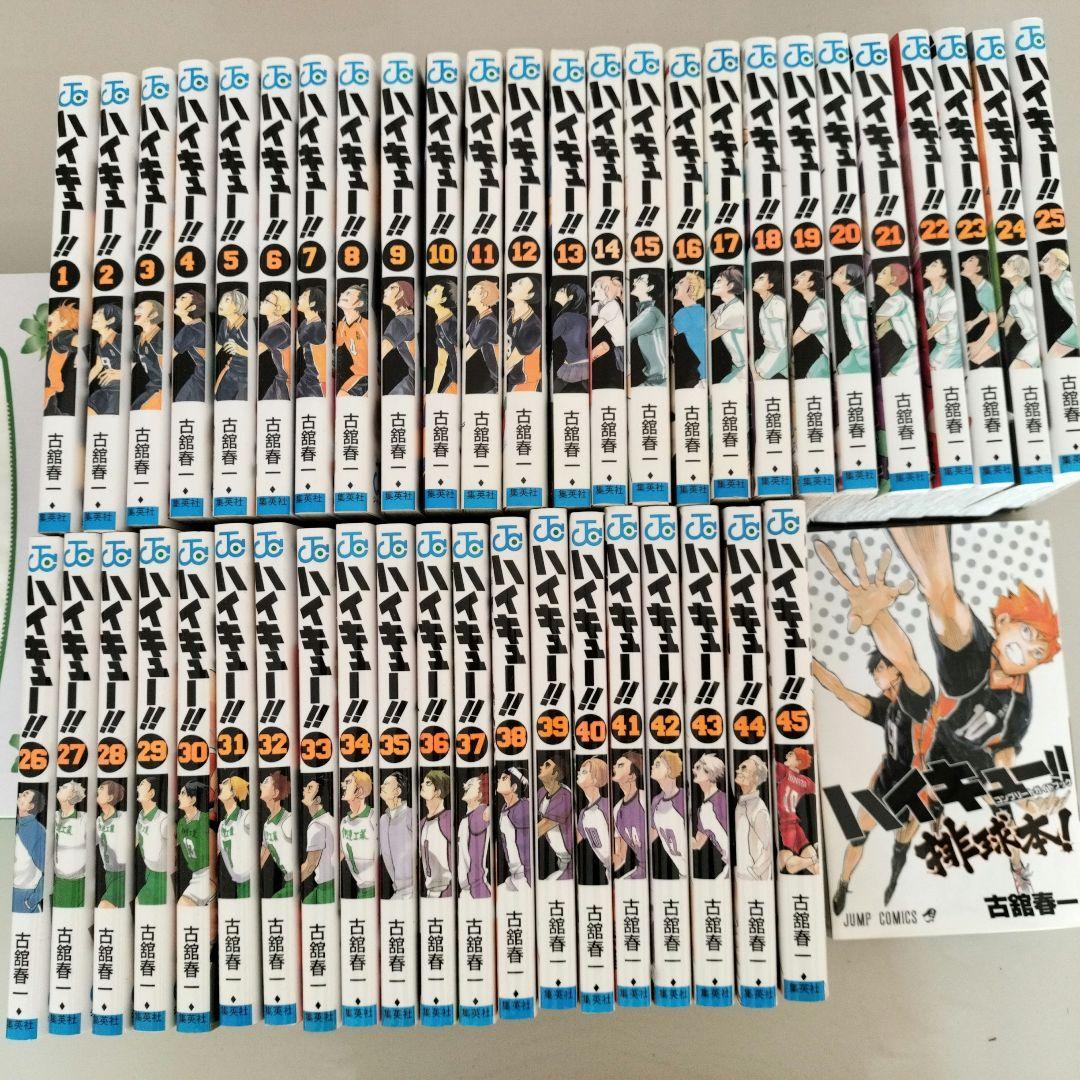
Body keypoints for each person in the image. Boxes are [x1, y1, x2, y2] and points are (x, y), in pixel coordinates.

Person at [891, 524, 1062, 893]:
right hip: (943, 744)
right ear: (1003, 623)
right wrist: (936, 589)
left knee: (1003, 808)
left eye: (1037, 651)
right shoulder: (973, 654)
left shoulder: (1020, 703)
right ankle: (902, 855)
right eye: (1026, 633)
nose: (1026, 649)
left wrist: (1023, 796)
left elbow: (1004, 755)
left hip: (976, 756)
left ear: (1038, 662)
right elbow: (946, 604)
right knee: (919, 808)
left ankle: (1018, 870)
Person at [812, 536, 936, 910]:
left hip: (918, 782)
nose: (883, 669)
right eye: (878, 667)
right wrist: (809, 665)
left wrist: (878, 616)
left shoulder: (918, 693)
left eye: (885, 664)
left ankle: (895, 876)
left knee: (905, 835)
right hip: (887, 779)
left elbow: (907, 658)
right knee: (858, 833)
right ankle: (843, 884)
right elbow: (842, 692)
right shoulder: (885, 707)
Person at [774, 748, 820, 875]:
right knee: (815, 868)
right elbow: (819, 789)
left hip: (785, 825)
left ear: (798, 762)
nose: (787, 755)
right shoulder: (805, 781)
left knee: (785, 865)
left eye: (791, 754)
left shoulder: (784, 771)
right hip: (795, 824)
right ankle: (814, 858)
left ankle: (814, 858)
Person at [649, 750, 689, 877]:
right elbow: (653, 832)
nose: (652, 766)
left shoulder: (685, 797)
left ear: (669, 770)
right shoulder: (656, 800)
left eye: (657, 764)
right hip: (681, 871)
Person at [732, 756, 772, 881]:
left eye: (743, 768)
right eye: (739, 768)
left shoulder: (759, 809)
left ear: (755, 778)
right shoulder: (740, 804)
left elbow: (769, 846)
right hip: (740, 877)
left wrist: (754, 873)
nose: (737, 771)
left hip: (754, 881)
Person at [874, 263, 918, 375]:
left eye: (884, 272)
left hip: (914, 351)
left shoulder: (896, 300)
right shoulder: (899, 299)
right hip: (914, 351)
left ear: (893, 279)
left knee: (891, 379)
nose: (878, 274)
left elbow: (874, 323)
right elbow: (882, 330)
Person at [340, 770, 377, 899]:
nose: (343, 785)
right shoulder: (344, 821)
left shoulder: (373, 817)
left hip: (374, 888)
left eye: (348, 782)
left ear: (359, 791)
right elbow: (342, 852)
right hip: (360, 888)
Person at [690, 754, 729, 877]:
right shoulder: (703, 808)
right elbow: (698, 843)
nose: (693, 770)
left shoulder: (723, 800)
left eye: (698, 768)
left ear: (709, 773)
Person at [299, 779, 336, 904]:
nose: (304, 789)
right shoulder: (331, 819)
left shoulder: (316, 825)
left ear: (318, 799)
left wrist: (291, 883)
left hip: (326, 889)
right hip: (330, 883)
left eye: (310, 788)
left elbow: (310, 866)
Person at [177, 780, 213, 907]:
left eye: (183, 793)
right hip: (195, 875)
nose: (179, 796)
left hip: (207, 873)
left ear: (193, 800)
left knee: (183, 905)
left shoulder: (205, 820)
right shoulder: (181, 823)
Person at [536, 756, 574, 879]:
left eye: (547, 765)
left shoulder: (564, 796)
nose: (541, 766)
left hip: (572, 860)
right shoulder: (542, 792)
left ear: (555, 774)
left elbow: (541, 828)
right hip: (561, 859)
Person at [611, 752, 647, 879]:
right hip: (641, 869)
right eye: (615, 764)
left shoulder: (645, 800)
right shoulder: (617, 809)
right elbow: (620, 856)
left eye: (620, 765)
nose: (613, 767)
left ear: (631, 776)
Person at [259, 770, 294, 899]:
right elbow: (264, 853)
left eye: (265, 782)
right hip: (288, 880)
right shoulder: (267, 824)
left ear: (275, 793)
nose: (260, 784)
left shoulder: (289, 820)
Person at [923, 258, 962, 370]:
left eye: (933, 265)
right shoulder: (926, 292)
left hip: (952, 348)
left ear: (943, 271)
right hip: (940, 345)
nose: (927, 267)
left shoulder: (950, 297)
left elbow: (933, 330)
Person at [627, 273, 667, 387]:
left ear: (650, 288)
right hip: (657, 377)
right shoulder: (646, 311)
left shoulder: (651, 312)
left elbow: (624, 335)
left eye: (639, 279)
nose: (634, 280)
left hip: (661, 379)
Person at [1001, 254, 1040, 368]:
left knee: (1015, 370)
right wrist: (1005, 326)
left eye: (1008, 263)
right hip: (1031, 342)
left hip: (1038, 342)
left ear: (1017, 270)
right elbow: (1012, 313)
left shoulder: (1028, 294)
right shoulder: (1014, 294)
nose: (1003, 265)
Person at [575, 758, 611, 881]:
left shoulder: (607, 805)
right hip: (607, 869)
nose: (579, 773)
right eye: (580, 770)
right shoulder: (583, 813)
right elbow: (573, 841)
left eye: (584, 772)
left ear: (595, 780)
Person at [961, 253, 1000, 366]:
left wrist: (979, 344)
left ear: (977, 269)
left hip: (998, 333)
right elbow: (988, 309)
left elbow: (994, 322)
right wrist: (973, 322)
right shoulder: (981, 287)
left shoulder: (986, 291)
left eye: (970, 260)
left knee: (974, 360)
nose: (963, 262)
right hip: (995, 331)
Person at [495, 767, 531, 890]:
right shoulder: (505, 807)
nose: (499, 780)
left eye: (504, 778)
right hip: (515, 875)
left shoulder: (522, 807)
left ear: (514, 787)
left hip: (525, 877)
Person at [54, 781, 88, 908]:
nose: (60, 787)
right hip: (57, 880)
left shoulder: (83, 819)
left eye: (64, 787)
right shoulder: (54, 816)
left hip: (76, 883)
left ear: (72, 795)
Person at [378, 771, 413, 898]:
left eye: (386, 784)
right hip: (398, 890)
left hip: (412, 890)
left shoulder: (410, 815)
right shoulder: (383, 820)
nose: (381, 786)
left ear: (398, 791)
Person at [217, 774, 253, 899]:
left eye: (225, 784)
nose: (220, 785)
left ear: (233, 793)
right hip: (235, 880)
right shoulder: (222, 824)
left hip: (249, 879)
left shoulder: (246, 816)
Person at [831, 263, 871, 374]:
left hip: (866, 353)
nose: (835, 273)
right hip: (857, 352)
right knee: (840, 372)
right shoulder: (846, 300)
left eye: (840, 272)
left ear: (847, 281)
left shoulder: (856, 300)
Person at [418, 770, 453, 898]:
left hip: (447, 891)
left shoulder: (448, 818)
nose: (422, 784)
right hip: (429, 892)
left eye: (428, 783)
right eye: (423, 782)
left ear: (437, 792)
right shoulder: (422, 823)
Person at [505, 275, 542, 392]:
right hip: (508, 379)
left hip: (524, 385)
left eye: (520, 283)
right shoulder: (509, 313)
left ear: (529, 295)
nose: (513, 283)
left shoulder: (534, 327)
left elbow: (509, 363)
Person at [710, 267, 747, 382]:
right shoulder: (722, 307)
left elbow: (707, 336)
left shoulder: (735, 310)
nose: (713, 283)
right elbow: (705, 327)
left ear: (730, 285)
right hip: (736, 366)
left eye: (718, 281)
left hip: (745, 367)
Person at [135, 777, 169, 904]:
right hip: (149, 871)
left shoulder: (163, 820)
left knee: (140, 903)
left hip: (161, 877)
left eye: (142, 784)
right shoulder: (141, 816)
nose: (137, 787)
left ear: (152, 793)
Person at [672, 270, 708, 388]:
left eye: (681, 283)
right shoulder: (702, 310)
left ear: (691, 289)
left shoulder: (684, 313)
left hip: (700, 375)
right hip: (706, 372)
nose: (676, 285)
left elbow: (664, 335)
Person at [463, 279, 500, 393]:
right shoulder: (479, 318)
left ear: (483, 295)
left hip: (503, 382)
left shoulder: (488, 323)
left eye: (474, 290)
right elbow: (464, 338)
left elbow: (465, 355)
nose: (469, 291)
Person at [457, 774, 491, 899]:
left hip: (477, 890)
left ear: (480, 795)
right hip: (467, 891)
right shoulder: (466, 819)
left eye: (471, 785)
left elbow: (487, 813)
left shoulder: (481, 812)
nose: (466, 785)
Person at [550, 283, 590, 390]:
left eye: (562, 290)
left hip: (574, 362)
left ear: (571, 297)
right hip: (580, 361)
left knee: (556, 388)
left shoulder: (564, 318)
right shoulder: (583, 318)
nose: (557, 291)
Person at [791, 269, 829, 379]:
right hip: (825, 359)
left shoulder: (817, 308)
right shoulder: (818, 304)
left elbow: (794, 340)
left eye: (802, 275)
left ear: (810, 284)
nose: (796, 275)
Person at [13, 788, 46, 912]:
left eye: (25, 795)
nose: (19, 795)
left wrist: (32, 900)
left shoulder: (37, 831)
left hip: (24, 898)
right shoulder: (15, 825)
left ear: (30, 806)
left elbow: (48, 871)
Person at [1040, 247, 1077, 358]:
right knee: (1051, 357)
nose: (1040, 263)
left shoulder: (1067, 282)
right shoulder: (1055, 282)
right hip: (1076, 327)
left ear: (1058, 264)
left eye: (1045, 260)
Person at [380, 281, 417, 395]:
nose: (385, 290)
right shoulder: (410, 318)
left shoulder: (400, 322)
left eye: (392, 287)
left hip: (416, 382)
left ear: (401, 294)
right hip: (414, 378)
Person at [44, 301, 80, 415]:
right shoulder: (50, 337)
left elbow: (81, 341)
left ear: (63, 322)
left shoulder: (61, 336)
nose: (49, 316)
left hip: (47, 393)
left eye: (53, 315)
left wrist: (82, 353)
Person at [590, 274, 626, 388]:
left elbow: (594, 329)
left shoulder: (612, 305)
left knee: (624, 376)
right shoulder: (599, 305)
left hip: (622, 348)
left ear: (605, 289)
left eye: (596, 286)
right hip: (617, 347)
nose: (592, 289)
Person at [95, 780, 127, 908]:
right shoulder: (99, 820)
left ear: (110, 797)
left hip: (123, 874)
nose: (98, 790)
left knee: (104, 907)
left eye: (101, 788)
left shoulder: (123, 817)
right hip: (108, 874)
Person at [87, 303, 123, 415]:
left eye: (99, 313)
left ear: (110, 320)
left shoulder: (119, 340)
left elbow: (137, 361)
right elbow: (98, 366)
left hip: (118, 391)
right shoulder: (99, 340)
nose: (94, 315)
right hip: (104, 389)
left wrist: (122, 373)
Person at [173, 290, 209, 403]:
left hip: (201, 380)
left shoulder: (190, 330)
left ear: (191, 307)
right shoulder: (201, 325)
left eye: (182, 298)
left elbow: (164, 360)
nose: (176, 299)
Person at [214, 289, 250, 400]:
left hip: (247, 376)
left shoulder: (247, 326)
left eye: (227, 300)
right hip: (231, 372)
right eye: (221, 299)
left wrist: (239, 350)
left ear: (236, 306)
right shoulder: (224, 323)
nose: (220, 303)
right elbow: (217, 346)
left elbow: (258, 354)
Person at [423, 281, 458, 394]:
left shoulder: (452, 324)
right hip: (455, 379)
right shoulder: (439, 323)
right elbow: (441, 363)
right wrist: (434, 390)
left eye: (434, 291)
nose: (429, 292)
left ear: (443, 300)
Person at [752, 268, 788, 379]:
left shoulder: (777, 303)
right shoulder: (764, 306)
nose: (755, 280)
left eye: (761, 278)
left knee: (756, 379)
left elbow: (782, 340)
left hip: (780, 352)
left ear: (770, 285)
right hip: (769, 352)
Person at [335, 283, 369, 396]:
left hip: (368, 375)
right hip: (358, 375)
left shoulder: (366, 326)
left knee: (342, 395)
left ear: (359, 303)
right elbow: (335, 346)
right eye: (344, 292)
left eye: (348, 293)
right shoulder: (342, 325)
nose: (342, 294)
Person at [257, 289, 292, 399]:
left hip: (286, 384)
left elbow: (253, 353)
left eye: (266, 301)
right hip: (281, 380)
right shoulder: (281, 325)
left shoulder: (278, 330)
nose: (261, 302)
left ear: (277, 308)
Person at [131, 298, 165, 409]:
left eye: (140, 308)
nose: (135, 310)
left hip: (162, 388)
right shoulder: (138, 339)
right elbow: (132, 362)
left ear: (153, 315)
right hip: (152, 387)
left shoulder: (160, 337)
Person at [294, 287, 328, 398]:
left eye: (304, 296)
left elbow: (291, 347)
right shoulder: (305, 322)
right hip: (309, 377)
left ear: (312, 303)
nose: (299, 297)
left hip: (317, 382)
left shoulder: (316, 326)